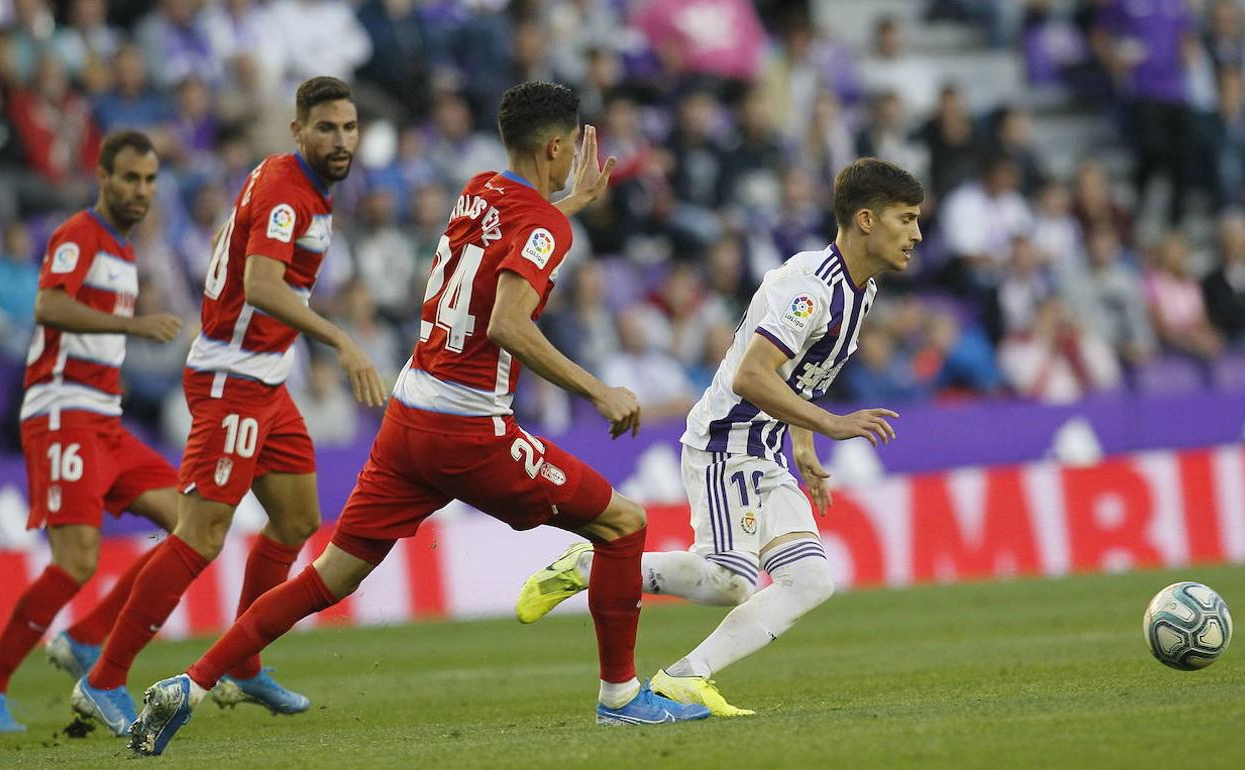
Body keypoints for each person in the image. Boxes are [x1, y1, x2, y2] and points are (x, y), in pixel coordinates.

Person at [128, 81, 709, 757]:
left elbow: (511, 231)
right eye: (570, 148)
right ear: (557, 147)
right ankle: (621, 698)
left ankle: (191, 684)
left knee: (330, 578)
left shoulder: (478, 188)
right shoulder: (543, 225)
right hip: (469, 431)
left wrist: (569, 203)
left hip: (409, 417)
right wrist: (597, 389)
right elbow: (508, 323)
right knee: (623, 523)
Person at [516, 157, 922, 716]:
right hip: (726, 441)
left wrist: (804, 445)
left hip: (768, 447)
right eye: (906, 219)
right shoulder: (810, 288)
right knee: (731, 580)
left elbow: (803, 373)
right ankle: (590, 567)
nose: (917, 234)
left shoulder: (861, 291)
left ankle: (686, 677)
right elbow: (750, 375)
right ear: (867, 220)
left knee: (810, 580)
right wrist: (829, 425)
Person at [72, 76, 385, 737]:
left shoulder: (302, 188)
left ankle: (242, 662)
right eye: (326, 128)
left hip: (267, 381)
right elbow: (262, 284)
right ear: (297, 130)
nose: (340, 140)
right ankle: (103, 678)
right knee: (201, 535)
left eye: (349, 128)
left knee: (298, 521)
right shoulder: (285, 193)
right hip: (231, 381)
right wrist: (340, 341)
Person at [0, 131, 183, 733]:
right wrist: (130, 326)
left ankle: (86, 639)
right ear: (103, 177)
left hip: (105, 418)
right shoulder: (80, 233)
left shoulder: (125, 255)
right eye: (129, 178)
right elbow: (49, 306)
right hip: (61, 411)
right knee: (76, 562)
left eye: (150, 181)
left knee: (193, 525)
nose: (140, 190)